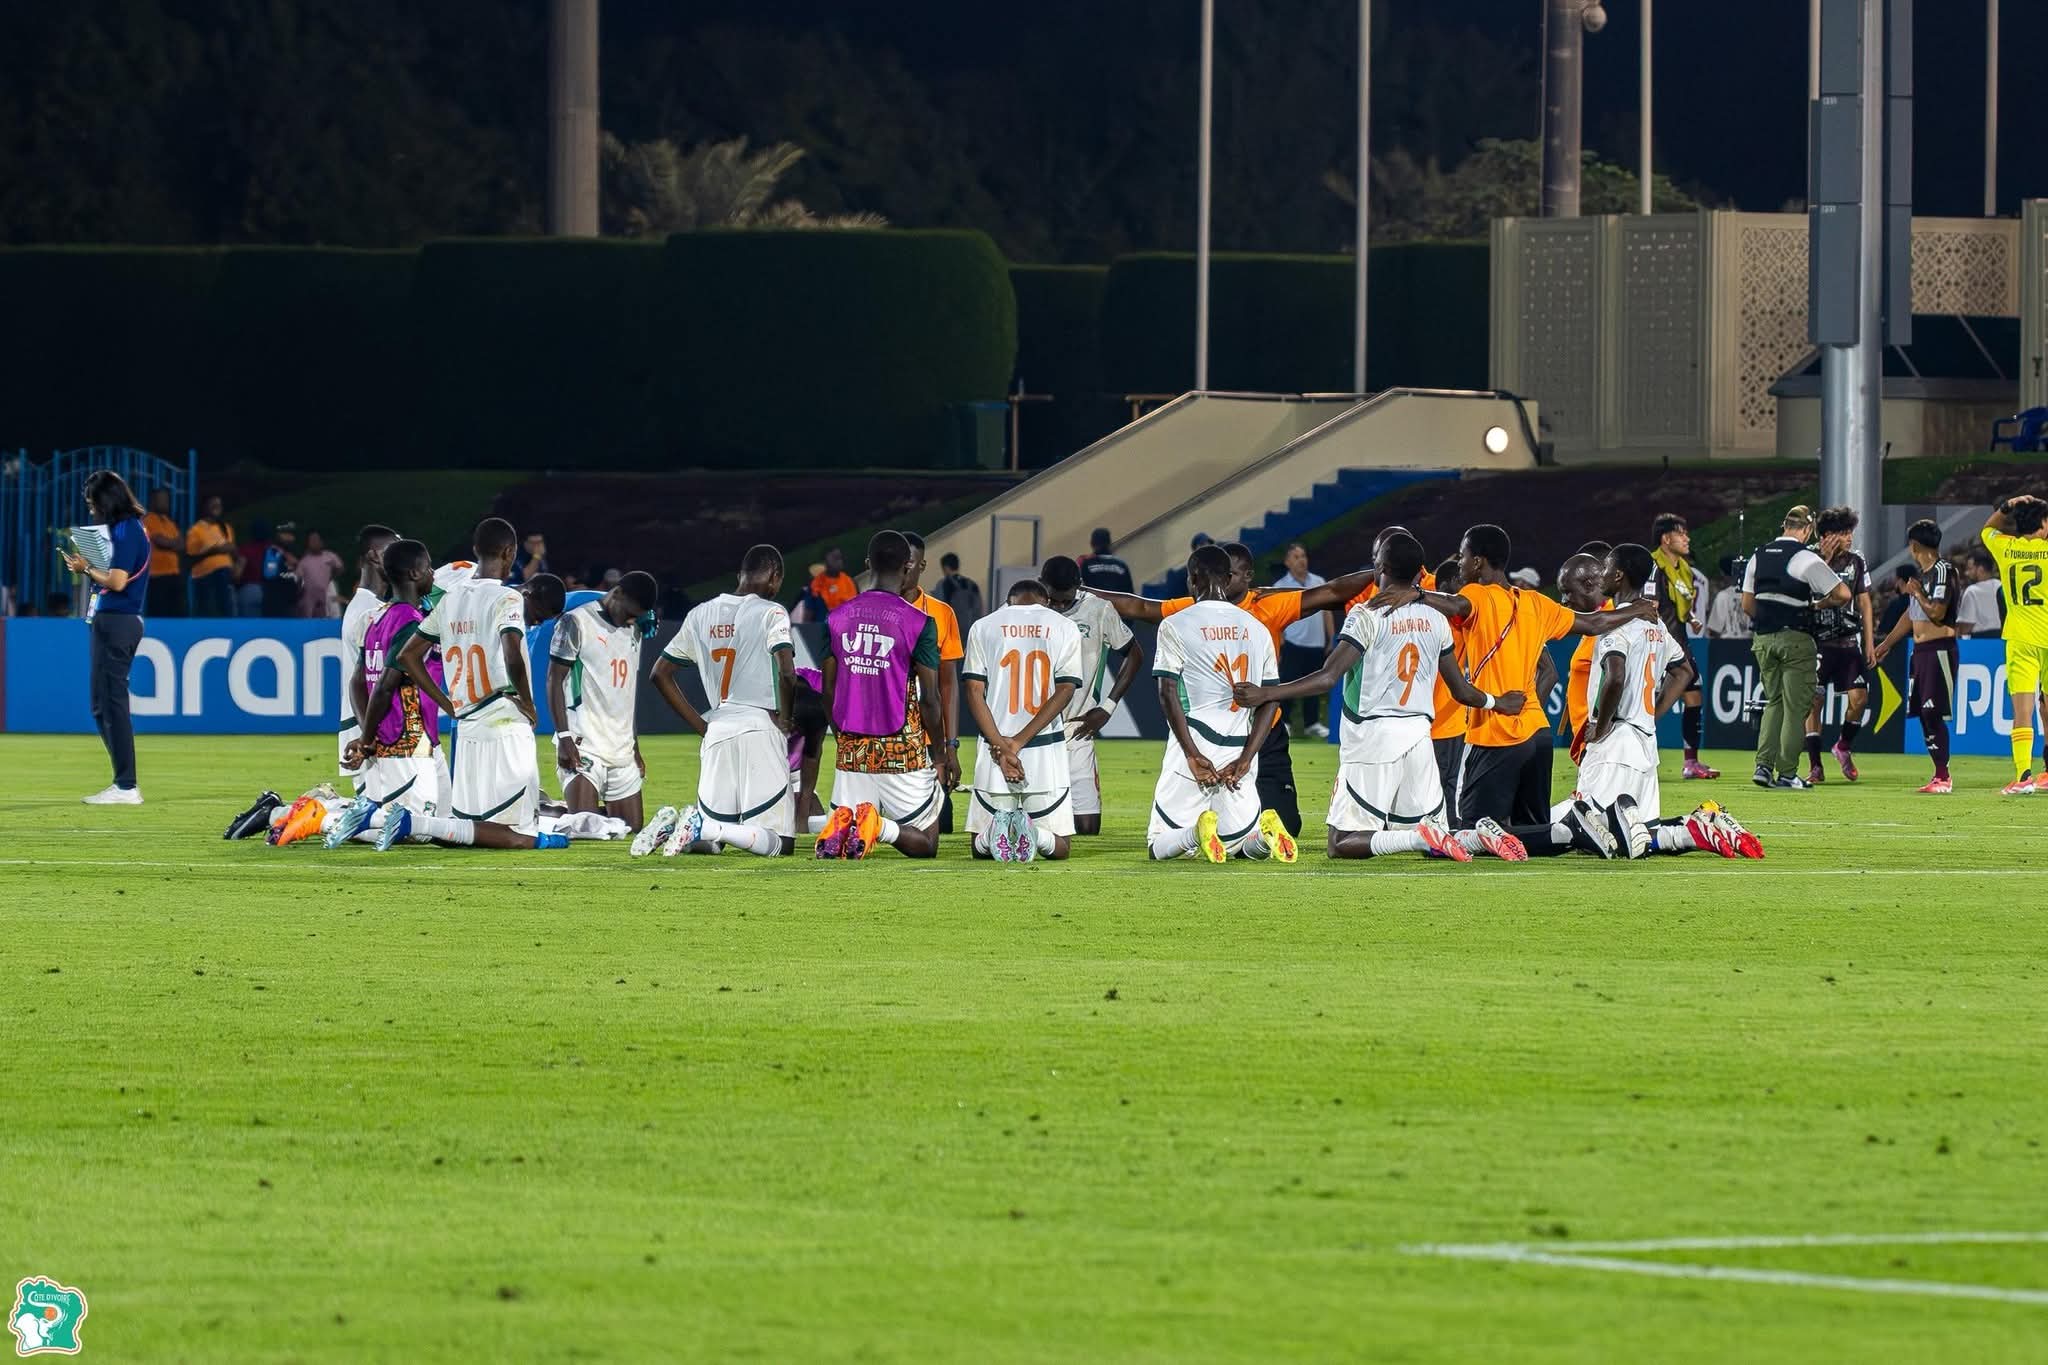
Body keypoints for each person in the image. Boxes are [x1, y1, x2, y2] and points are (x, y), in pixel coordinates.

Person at [1234, 531, 1522, 861]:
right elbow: (1461, 690)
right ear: (1419, 573)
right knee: (1438, 834)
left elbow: (1328, 677)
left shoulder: (1366, 614)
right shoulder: (1437, 618)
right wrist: (1498, 703)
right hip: (1419, 738)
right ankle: (1480, 836)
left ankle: (1417, 840)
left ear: (1380, 566)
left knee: (1340, 842)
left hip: (1372, 737)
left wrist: (1268, 691)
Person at [1372, 524, 1658, 829]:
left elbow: (1456, 604)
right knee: (1532, 831)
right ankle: (1575, 833)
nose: (1460, 564)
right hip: (1539, 735)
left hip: (1496, 733)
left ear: (1479, 562)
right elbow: (1595, 622)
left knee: (1473, 830)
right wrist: (1636, 609)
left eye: (1464, 557)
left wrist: (1416, 594)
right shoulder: (1536, 603)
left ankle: (1579, 831)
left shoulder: (1478, 595)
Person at [1091, 540, 1375, 837]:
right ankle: (1218, 826)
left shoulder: (1268, 604)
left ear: (1246, 577)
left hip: (1263, 731)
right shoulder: (1197, 607)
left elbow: (1331, 592)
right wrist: (1081, 592)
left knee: (1287, 825)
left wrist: (1388, 571)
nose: (1224, 581)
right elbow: (1138, 606)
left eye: (1233, 574)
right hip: (1219, 727)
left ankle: (1210, 829)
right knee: (1234, 830)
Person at [379, 518, 553, 835]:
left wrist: (448, 705)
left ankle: (404, 823)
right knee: (521, 831)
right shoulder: (508, 598)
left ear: (475, 550)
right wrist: (528, 703)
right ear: (511, 552)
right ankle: (412, 824)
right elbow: (512, 652)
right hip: (503, 720)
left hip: (467, 723)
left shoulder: (452, 598)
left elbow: (408, 655)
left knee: (471, 825)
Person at [643, 546, 798, 856]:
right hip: (759, 726)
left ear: (740, 574)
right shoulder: (772, 611)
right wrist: (785, 720)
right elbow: (787, 671)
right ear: (776, 577)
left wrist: (701, 725)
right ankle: (703, 826)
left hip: (717, 727)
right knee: (782, 843)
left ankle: (673, 828)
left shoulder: (699, 613)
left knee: (714, 843)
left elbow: (659, 674)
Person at [1145, 544, 1294, 863]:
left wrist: (1192, 754)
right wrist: (1246, 758)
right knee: (1239, 843)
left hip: (1196, 740)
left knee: (1160, 844)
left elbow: (1167, 692)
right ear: (1228, 579)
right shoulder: (1257, 628)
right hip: (1241, 745)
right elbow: (1270, 697)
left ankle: (1193, 833)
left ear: (1193, 579)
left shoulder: (1176, 624)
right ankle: (1263, 842)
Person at [816, 532, 947, 858]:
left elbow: (828, 689)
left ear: (866, 565)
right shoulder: (919, 622)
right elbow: (930, 698)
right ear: (907, 567)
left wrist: (842, 735)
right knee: (927, 844)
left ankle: (848, 826)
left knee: (846, 838)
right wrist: (941, 754)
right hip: (902, 748)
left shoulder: (835, 618)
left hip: (852, 749)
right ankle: (879, 825)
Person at [329, 539, 450, 843]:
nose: (433, 573)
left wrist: (366, 735)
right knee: (418, 832)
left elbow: (357, 681)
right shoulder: (409, 622)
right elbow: (383, 686)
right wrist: (367, 739)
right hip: (404, 738)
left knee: (445, 823)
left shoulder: (378, 617)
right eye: (428, 568)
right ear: (413, 573)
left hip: (420, 737)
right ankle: (321, 815)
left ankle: (355, 814)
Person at [961, 579, 1083, 861]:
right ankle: (1033, 833)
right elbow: (1065, 689)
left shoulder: (984, 625)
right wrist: (1017, 744)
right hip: (1044, 746)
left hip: (995, 747)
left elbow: (973, 690)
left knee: (979, 850)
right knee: (1060, 848)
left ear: (1008, 601)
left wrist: (1003, 748)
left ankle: (997, 831)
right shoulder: (1064, 627)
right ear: (1047, 601)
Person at [1743, 506, 1853, 790]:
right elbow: (1843, 594)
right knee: (1795, 707)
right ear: (1807, 529)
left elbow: (1747, 604)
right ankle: (1788, 773)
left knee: (1774, 702)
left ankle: (1763, 767)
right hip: (1796, 638)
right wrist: (1818, 604)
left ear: (1784, 525)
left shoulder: (1758, 555)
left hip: (1763, 639)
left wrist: (1769, 621)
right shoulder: (1806, 558)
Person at [62, 469, 151, 805]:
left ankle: (127, 786)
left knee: (111, 704)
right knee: (102, 706)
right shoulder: (124, 530)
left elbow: (116, 582)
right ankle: (123, 783)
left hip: (118, 621)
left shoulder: (128, 530)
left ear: (106, 501)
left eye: (92, 503)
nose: (90, 510)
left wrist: (86, 568)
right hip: (112, 620)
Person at [549, 570, 660, 833]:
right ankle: (543, 812)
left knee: (629, 827)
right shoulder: (576, 622)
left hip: (620, 746)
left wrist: (635, 747)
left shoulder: (634, 631)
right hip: (583, 743)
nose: (631, 620)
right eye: (629, 613)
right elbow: (555, 680)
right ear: (617, 593)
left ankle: (552, 809)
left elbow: (625, 694)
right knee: (587, 826)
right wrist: (564, 738)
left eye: (637, 616)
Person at [1040, 555, 1142, 836]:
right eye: (1054, 600)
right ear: (1042, 586)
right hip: (1035, 730)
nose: (1060, 606)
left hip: (1077, 727)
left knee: (1087, 828)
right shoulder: (1027, 610)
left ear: (1080, 586)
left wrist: (1108, 707)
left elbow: (1135, 654)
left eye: (1066, 600)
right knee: (1038, 820)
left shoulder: (1098, 610)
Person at [1872, 519, 1960, 793]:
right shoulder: (1922, 577)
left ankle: (1944, 777)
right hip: (1920, 651)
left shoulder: (1943, 571)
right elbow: (1911, 616)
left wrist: (1918, 592)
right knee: (1923, 713)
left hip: (1939, 650)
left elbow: (1936, 612)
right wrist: (1885, 645)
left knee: (1932, 712)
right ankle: (1939, 775)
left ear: (1914, 546)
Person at [1978, 495, 2048, 793]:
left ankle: (2023, 776)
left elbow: (1986, 529)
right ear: (2043, 525)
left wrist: (2007, 505)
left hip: (2021, 637)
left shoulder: (2006, 547)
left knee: (2023, 709)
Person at [1801, 506, 1874, 784]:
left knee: (1859, 699)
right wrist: (1825, 560)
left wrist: (1869, 641)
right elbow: (1804, 594)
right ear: (1827, 536)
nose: (1849, 538)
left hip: (1848, 640)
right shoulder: (1808, 559)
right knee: (1814, 701)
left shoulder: (1857, 562)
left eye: (1850, 532)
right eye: (1844, 533)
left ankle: (1843, 746)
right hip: (1818, 640)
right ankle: (1815, 765)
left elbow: (1865, 600)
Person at [1644, 513, 1717, 780]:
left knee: (1693, 697)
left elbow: (1679, 604)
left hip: (1679, 641)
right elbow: (1650, 605)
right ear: (1666, 539)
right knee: (1649, 702)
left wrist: (1693, 619)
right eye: (1681, 534)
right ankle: (1635, 748)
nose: (1687, 538)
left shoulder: (1682, 569)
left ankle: (1691, 762)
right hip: (1658, 644)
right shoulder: (1654, 566)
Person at [902, 531, 965, 824]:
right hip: (882, 739)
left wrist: (950, 746)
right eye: (897, 563)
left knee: (943, 824)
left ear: (922, 566)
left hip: (929, 739)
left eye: (910, 563)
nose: (903, 571)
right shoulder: (867, 611)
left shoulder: (941, 614)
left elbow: (948, 686)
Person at [338, 524, 400, 794]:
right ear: (375, 556)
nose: (401, 558)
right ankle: (283, 813)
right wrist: (368, 737)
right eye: (394, 551)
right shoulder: (368, 611)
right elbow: (361, 681)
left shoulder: (367, 605)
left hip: (371, 727)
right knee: (378, 820)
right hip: (370, 729)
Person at [1272, 543, 1333, 738]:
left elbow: (1327, 612)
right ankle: (1285, 721)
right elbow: (1275, 618)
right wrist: (1279, 642)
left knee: (1314, 685)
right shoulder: (1280, 587)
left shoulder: (1319, 581)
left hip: (1316, 644)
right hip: (1292, 644)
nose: (1302, 560)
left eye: (1303, 556)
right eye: (1296, 557)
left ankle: (1312, 723)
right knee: (1287, 683)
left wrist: (1330, 638)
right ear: (1287, 562)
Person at [184, 494, 237, 617]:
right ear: (205, 507)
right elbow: (190, 555)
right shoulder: (196, 529)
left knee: (226, 605)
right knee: (205, 608)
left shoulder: (226, 528)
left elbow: (232, 549)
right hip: (204, 575)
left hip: (225, 573)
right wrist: (214, 550)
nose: (216, 507)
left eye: (219, 505)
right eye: (213, 504)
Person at [142, 487, 184, 617]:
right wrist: (173, 543)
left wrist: (171, 543)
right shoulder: (149, 519)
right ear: (153, 501)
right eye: (161, 499)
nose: (165, 502)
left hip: (174, 573)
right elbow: (160, 541)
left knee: (176, 612)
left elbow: (182, 544)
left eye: (166, 499)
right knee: (159, 611)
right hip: (157, 575)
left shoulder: (169, 522)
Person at [1955, 546, 2004, 643]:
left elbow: (1966, 627)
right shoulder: (2002, 586)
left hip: (1980, 642)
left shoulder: (1972, 591)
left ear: (1980, 569)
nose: (1967, 573)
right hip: (2003, 639)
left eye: (1970, 569)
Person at [933, 552, 985, 636]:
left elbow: (937, 609)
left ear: (946, 567)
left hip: (952, 632)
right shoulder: (972, 584)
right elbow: (979, 608)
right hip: (971, 630)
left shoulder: (943, 584)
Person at [294, 530, 343, 618]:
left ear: (321, 542)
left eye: (316, 540)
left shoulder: (330, 556)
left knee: (331, 616)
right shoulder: (304, 561)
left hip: (327, 592)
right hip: (309, 595)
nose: (314, 543)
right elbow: (298, 578)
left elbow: (340, 568)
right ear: (308, 543)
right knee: (308, 617)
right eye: (312, 541)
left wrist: (331, 577)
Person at [1078, 528, 1136, 595]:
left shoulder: (1086, 565)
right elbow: (1130, 595)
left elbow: (1081, 591)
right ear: (1109, 543)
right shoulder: (1121, 565)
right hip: (1118, 604)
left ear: (1092, 544)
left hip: (1094, 604)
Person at [1706, 556, 1751, 639]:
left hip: (1726, 644)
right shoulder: (1751, 595)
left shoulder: (1723, 596)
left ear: (1722, 573)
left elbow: (1714, 629)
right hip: (1748, 644)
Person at [809, 547, 858, 613]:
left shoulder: (848, 580)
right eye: (834, 558)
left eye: (840, 558)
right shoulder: (816, 583)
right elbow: (812, 608)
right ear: (825, 562)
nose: (839, 561)